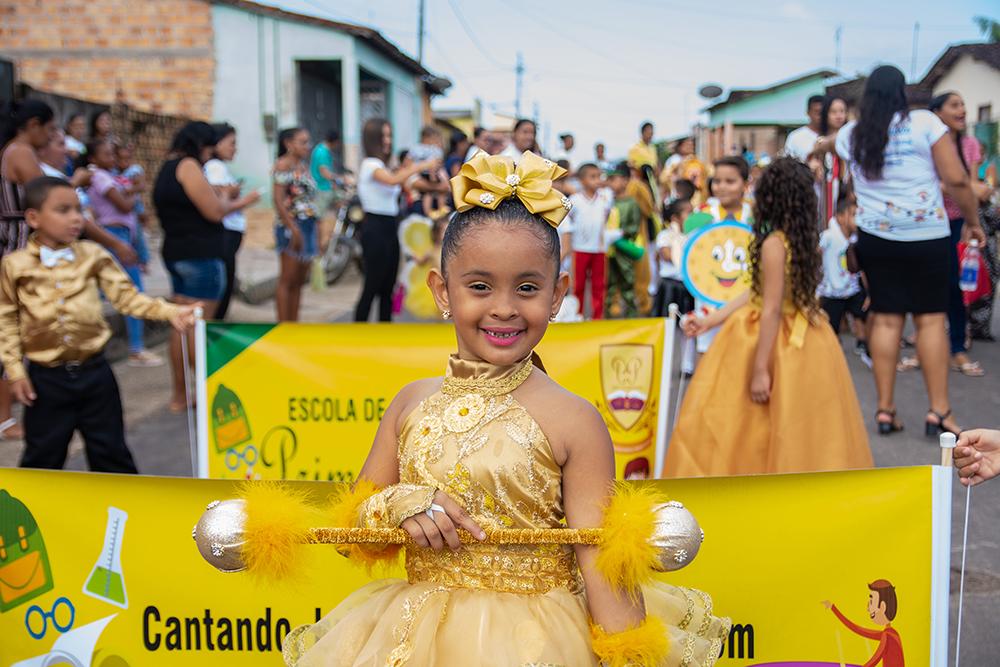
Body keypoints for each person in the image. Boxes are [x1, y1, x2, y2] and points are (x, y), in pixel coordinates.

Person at [281, 150, 730, 666]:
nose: (504, 308)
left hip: (541, 643)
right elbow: (351, 533)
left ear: (557, 294)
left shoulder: (574, 420)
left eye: (527, 288)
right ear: (442, 290)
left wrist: (631, 654)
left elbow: (601, 557)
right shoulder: (410, 403)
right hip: (414, 639)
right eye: (479, 286)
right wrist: (400, 503)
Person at [665, 158, 873, 477]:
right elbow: (758, 293)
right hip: (809, 337)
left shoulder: (774, 243)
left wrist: (761, 368)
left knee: (746, 425)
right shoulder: (800, 241)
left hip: (769, 338)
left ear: (772, 198)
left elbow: (770, 307)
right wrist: (710, 320)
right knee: (803, 426)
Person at [0, 177, 197, 471]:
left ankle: (121, 513)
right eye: (63, 210)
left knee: (111, 452)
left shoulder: (94, 255)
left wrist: (170, 312)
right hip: (46, 380)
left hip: (96, 374)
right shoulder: (14, 265)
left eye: (78, 209)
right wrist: (15, 372)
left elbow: (128, 298)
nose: (76, 218)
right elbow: (6, 319)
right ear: (33, 217)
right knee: (42, 456)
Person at [829, 65, 984, 437]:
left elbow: (830, 147)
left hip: (876, 237)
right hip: (926, 235)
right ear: (902, 92)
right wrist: (973, 220)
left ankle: (885, 410)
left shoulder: (852, 133)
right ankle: (939, 412)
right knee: (930, 320)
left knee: (885, 320)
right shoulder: (924, 123)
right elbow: (956, 179)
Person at [2, 100, 134, 441]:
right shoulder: (20, 152)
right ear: (33, 125)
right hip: (20, 245)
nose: (50, 139)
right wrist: (75, 181)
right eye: (49, 131)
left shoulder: (21, 151)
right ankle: (6, 417)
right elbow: (46, 199)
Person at [154, 121, 236, 412]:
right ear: (201, 145)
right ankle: (204, 394)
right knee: (198, 328)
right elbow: (214, 212)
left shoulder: (167, 166)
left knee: (180, 325)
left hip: (176, 252)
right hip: (200, 255)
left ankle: (180, 395)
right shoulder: (188, 166)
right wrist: (228, 198)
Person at [930, 91, 992, 377]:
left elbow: (975, 186)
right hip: (931, 222)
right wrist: (960, 186)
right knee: (930, 288)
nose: (962, 110)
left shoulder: (970, 145)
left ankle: (957, 347)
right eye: (954, 105)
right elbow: (959, 184)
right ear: (937, 112)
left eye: (963, 105)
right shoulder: (929, 144)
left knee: (958, 287)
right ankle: (927, 347)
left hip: (960, 222)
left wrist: (969, 214)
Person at [85, 139, 162, 368]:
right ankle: (136, 349)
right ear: (93, 158)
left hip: (122, 235)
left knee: (115, 291)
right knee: (133, 291)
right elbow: (125, 205)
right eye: (107, 154)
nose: (112, 158)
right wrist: (135, 191)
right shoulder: (99, 177)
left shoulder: (110, 176)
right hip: (113, 236)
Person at [355, 118, 438, 322]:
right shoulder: (370, 164)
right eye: (384, 135)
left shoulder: (384, 165)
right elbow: (392, 180)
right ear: (373, 139)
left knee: (388, 286)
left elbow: (403, 185)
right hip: (374, 227)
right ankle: (356, 333)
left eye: (389, 135)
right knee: (372, 285)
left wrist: (410, 169)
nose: (388, 140)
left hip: (390, 226)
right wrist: (421, 165)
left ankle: (385, 330)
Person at [204, 123, 260, 320]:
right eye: (231, 143)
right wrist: (247, 199)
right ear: (217, 144)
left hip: (229, 232)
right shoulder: (215, 168)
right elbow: (221, 203)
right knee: (223, 286)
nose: (234, 148)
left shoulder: (219, 168)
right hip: (225, 232)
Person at [273, 127, 320, 322]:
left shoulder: (303, 165)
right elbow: (278, 200)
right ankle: (284, 326)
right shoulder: (283, 165)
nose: (307, 146)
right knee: (288, 279)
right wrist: (293, 229)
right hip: (291, 226)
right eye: (303, 142)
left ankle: (294, 324)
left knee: (300, 280)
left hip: (308, 225)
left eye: (308, 142)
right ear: (288, 144)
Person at [819, 193, 872, 368]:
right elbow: (816, 252)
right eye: (853, 215)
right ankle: (831, 351)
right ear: (841, 217)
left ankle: (863, 344)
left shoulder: (856, 238)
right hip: (832, 291)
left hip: (852, 287)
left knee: (861, 316)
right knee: (831, 325)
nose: (857, 220)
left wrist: (868, 291)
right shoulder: (828, 235)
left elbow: (861, 266)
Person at [566, 163, 613, 319]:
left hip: (599, 249)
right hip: (580, 248)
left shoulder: (605, 200)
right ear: (582, 180)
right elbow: (569, 219)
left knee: (599, 285)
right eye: (593, 177)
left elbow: (605, 220)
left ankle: (597, 317)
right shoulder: (575, 200)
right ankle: (577, 315)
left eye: (599, 176)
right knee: (578, 285)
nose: (597, 181)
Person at [822, 581, 904, 667]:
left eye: (871, 601)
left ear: (883, 607)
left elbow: (875, 659)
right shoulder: (890, 633)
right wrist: (833, 608)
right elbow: (858, 629)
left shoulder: (888, 635)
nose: (868, 608)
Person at [604, 162, 643, 318]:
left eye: (615, 179)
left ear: (626, 180)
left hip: (624, 249)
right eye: (610, 179)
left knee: (628, 281)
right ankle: (606, 314)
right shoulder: (608, 201)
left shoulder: (632, 203)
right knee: (609, 283)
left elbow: (635, 226)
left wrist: (621, 233)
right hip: (609, 250)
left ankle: (632, 314)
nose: (611, 183)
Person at [653, 198, 694, 318]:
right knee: (669, 323)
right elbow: (669, 256)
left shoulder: (692, 236)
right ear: (675, 218)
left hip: (687, 286)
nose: (692, 216)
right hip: (670, 287)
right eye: (688, 213)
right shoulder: (665, 235)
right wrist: (677, 238)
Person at [817, 95, 850, 224]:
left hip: (845, 195)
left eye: (842, 111)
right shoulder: (819, 142)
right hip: (825, 196)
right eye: (834, 112)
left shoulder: (851, 141)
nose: (839, 116)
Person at [310, 129, 343, 220]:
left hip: (327, 186)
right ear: (336, 142)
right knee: (318, 217)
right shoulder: (322, 152)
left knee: (341, 202)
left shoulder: (321, 149)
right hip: (322, 188)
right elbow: (324, 173)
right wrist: (340, 179)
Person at [782, 95, 824, 162]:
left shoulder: (833, 136)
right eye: (816, 111)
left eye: (822, 112)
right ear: (808, 112)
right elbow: (787, 165)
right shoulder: (795, 137)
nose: (819, 115)